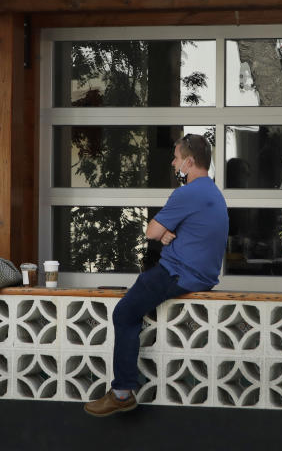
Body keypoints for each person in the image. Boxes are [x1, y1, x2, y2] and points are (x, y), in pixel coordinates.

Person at [84, 134, 228, 416]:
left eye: (176, 158)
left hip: (178, 274)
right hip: (200, 275)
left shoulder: (187, 192)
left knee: (124, 314)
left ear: (188, 161)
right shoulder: (212, 192)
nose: (174, 163)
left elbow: (151, 232)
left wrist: (161, 234)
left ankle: (122, 392)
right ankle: (124, 388)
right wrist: (168, 236)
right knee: (133, 309)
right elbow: (179, 234)